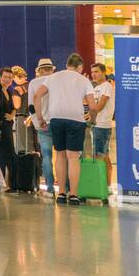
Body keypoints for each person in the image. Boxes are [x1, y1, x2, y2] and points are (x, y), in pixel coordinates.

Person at [34, 53, 96, 204]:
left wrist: (40, 117)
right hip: (76, 120)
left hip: (56, 119)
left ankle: (61, 193)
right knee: (73, 157)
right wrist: (92, 120)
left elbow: (37, 96)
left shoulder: (53, 77)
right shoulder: (84, 80)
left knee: (60, 155)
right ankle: (73, 195)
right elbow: (93, 106)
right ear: (80, 67)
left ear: (67, 65)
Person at [29, 58, 56, 194]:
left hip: (42, 124)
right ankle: (66, 188)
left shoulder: (33, 83)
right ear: (52, 69)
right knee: (63, 156)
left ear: (39, 70)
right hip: (57, 122)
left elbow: (31, 106)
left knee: (46, 156)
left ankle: (50, 187)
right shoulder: (57, 82)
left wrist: (37, 122)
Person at [90, 63, 115, 187]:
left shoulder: (107, 87)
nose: (94, 74)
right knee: (102, 155)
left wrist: (89, 116)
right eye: (92, 72)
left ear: (104, 72)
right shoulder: (96, 88)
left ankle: (103, 185)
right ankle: (106, 184)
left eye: (97, 71)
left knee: (101, 155)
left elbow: (99, 106)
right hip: (96, 125)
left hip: (103, 125)